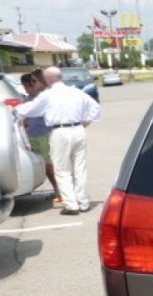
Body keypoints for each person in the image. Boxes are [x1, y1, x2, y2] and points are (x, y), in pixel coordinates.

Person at [15, 66, 101, 215]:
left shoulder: (48, 95)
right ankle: (84, 202)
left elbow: (29, 109)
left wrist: (15, 108)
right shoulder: (75, 91)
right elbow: (95, 107)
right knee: (80, 168)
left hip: (59, 132)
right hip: (78, 130)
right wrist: (84, 123)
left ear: (48, 79)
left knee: (62, 170)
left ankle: (72, 205)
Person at [20, 72, 60, 204]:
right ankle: (57, 190)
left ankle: (60, 191)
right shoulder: (26, 100)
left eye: (28, 84)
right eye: (24, 85)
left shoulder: (43, 98)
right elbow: (24, 120)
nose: (26, 88)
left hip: (45, 135)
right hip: (33, 137)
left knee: (50, 166)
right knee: (44, 166)